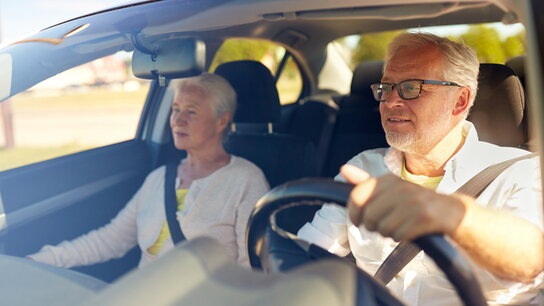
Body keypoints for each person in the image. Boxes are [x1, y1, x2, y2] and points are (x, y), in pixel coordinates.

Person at [297, 33, 543, 305]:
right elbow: (305, 257)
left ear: (460, 101)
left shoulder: (522, 171)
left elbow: (530, 259)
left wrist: (450, 214)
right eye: (386, 87)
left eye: (411, 87)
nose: (390, 102)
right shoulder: (363, 168)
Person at [28, 73, 269, 268]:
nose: (177, 120)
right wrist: (38, 261)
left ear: (221, 121)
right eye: (176, 109)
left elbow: (249, 267)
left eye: (192, 111)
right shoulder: (159, 178)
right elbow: (109, 240)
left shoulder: (246, 179)